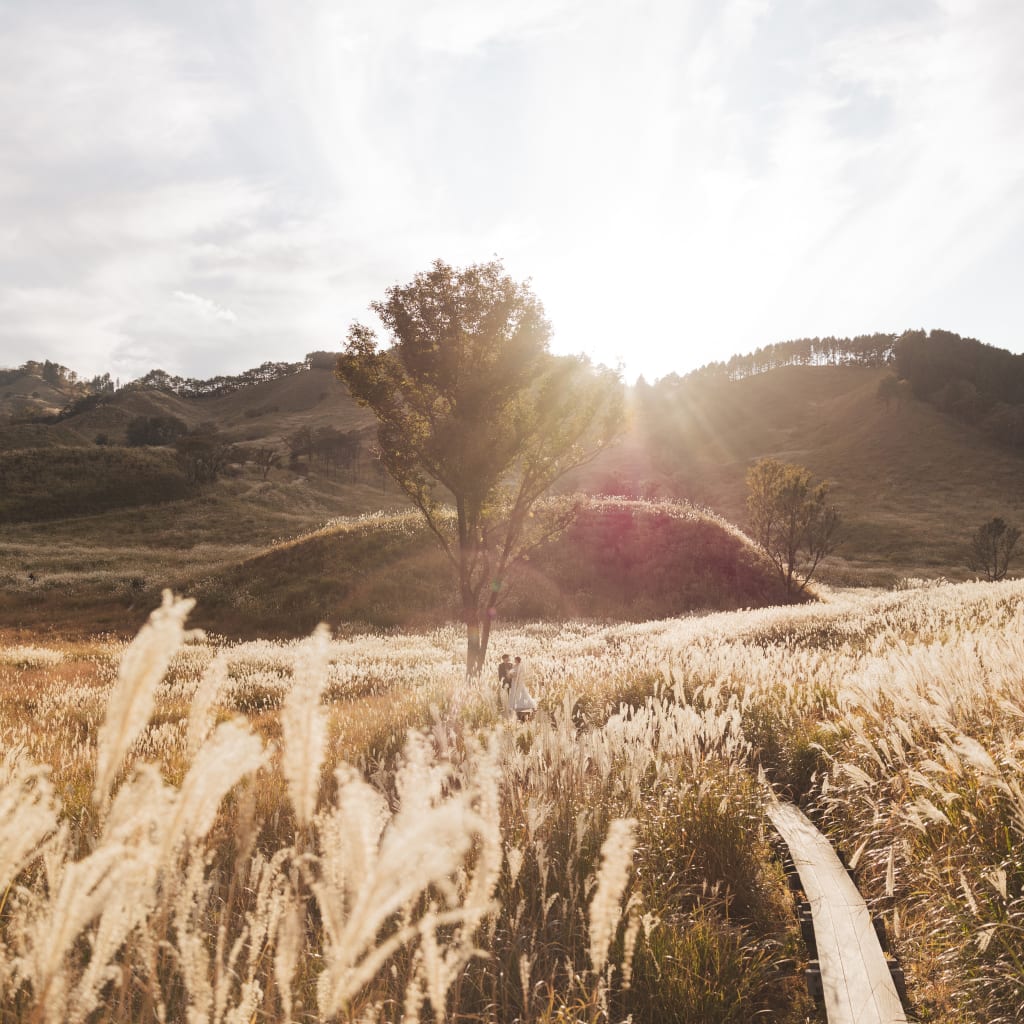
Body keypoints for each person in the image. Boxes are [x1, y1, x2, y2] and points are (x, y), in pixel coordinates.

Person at [508, 655, 537, 722]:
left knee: (521, 692)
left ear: (518, 660)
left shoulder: (521, 666)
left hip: (519, 681)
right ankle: (514, 703)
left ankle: (521, 703)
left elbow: (522, 674)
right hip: (514, 681)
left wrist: (517, 677)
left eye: (515, 660)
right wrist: (512, 675)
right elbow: (512, 672)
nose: (514, 661)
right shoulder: (514, 666)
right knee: (514, 692)